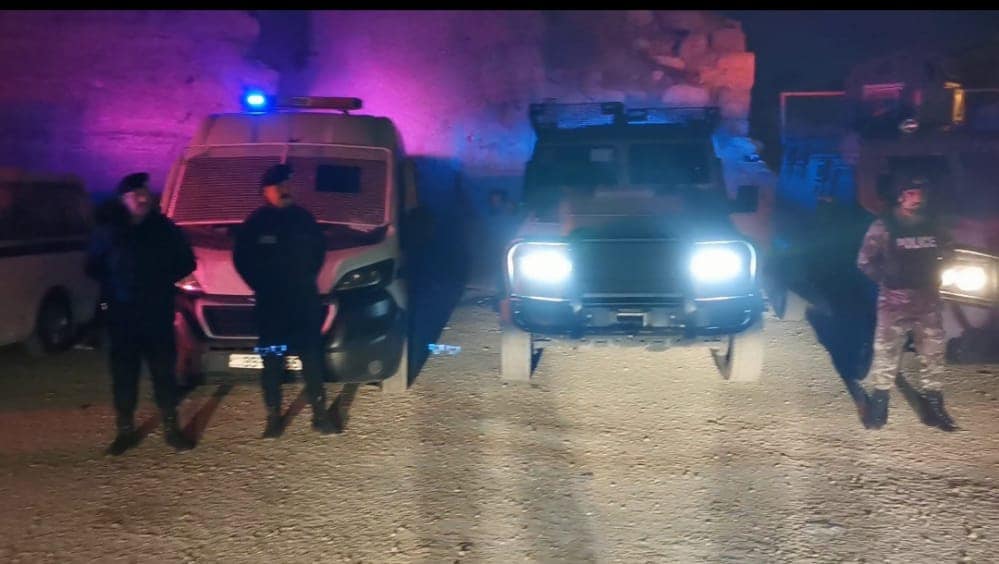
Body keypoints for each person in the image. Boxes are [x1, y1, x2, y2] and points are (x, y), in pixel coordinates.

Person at [85, 172, 197, 454]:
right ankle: (125, 431)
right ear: (123, 199)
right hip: (122, 316)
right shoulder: (108, 231)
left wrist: (160, 281)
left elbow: (187, 262)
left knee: (163, 372)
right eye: (137, 194)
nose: (144, 198)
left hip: (157, 313)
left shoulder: (164, 229)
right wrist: (115, 284)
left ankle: (172, 430)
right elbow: (92, 267)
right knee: (124, 373)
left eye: (145, 193)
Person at [233, 163, 338, 438]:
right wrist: (263, 286)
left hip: (303, 304)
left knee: (312, 359)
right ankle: (273, 417)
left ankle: (320, 415)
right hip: (271, 307)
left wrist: (303, 281)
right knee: (271, 362)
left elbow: (318, 253)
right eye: (277, 186)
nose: (284, 190)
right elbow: (242, 260)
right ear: (264, 192)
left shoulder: (304, 219)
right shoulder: (255, 224)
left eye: (287, 184)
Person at [856, 175, 955, 431]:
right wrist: (886, 280)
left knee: (933, 353)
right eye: (911, 193)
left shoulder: (934, 224)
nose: (917, 197)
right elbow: (865, 261)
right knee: (886, 352)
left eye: (920, 192)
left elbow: (950, 252)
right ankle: (879, 409)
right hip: (894, 301)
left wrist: (937, 272)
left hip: (927, 300)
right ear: (900, 196)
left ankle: (934, 408)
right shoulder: (884, 225)